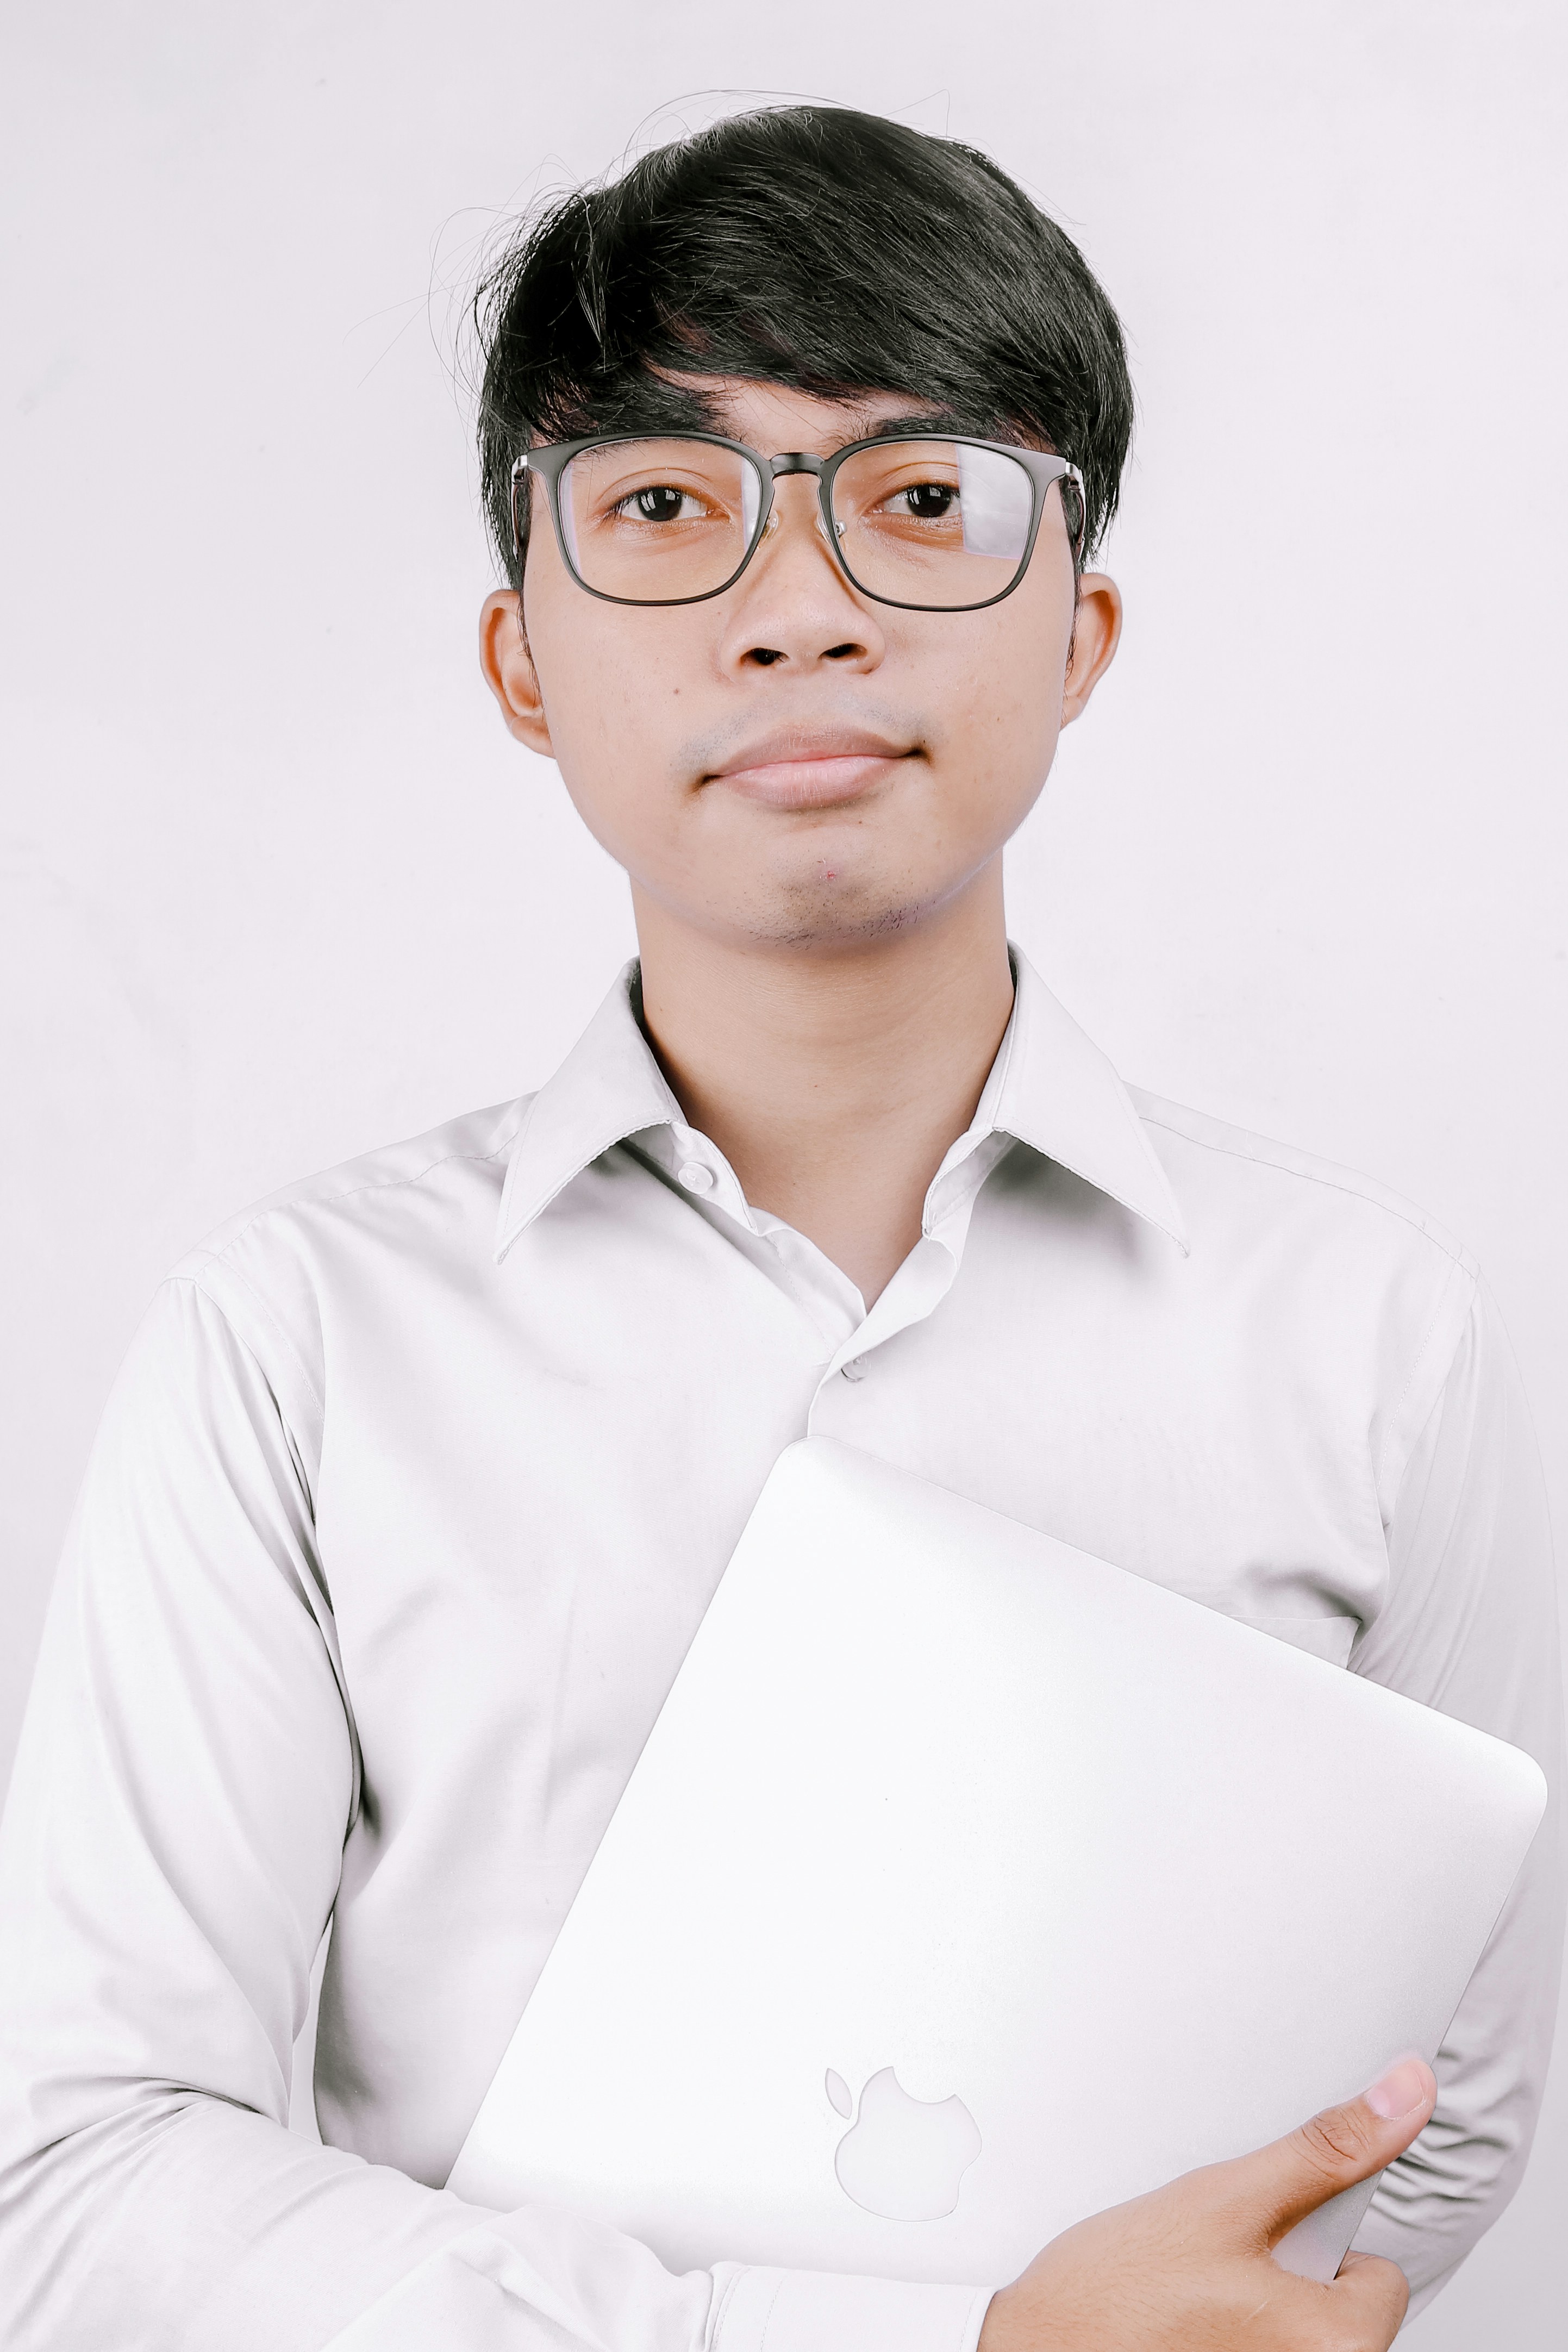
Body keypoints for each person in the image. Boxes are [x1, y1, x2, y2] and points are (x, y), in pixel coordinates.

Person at [0, 103, 1560, 2352]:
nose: (798, 607)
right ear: (519, 659)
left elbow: (1445, 2104)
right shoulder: (297, 1339)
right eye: (661, 508)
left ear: (1080, 630)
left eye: (921, 502)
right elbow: (81, 2175)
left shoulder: (1366, 1331)